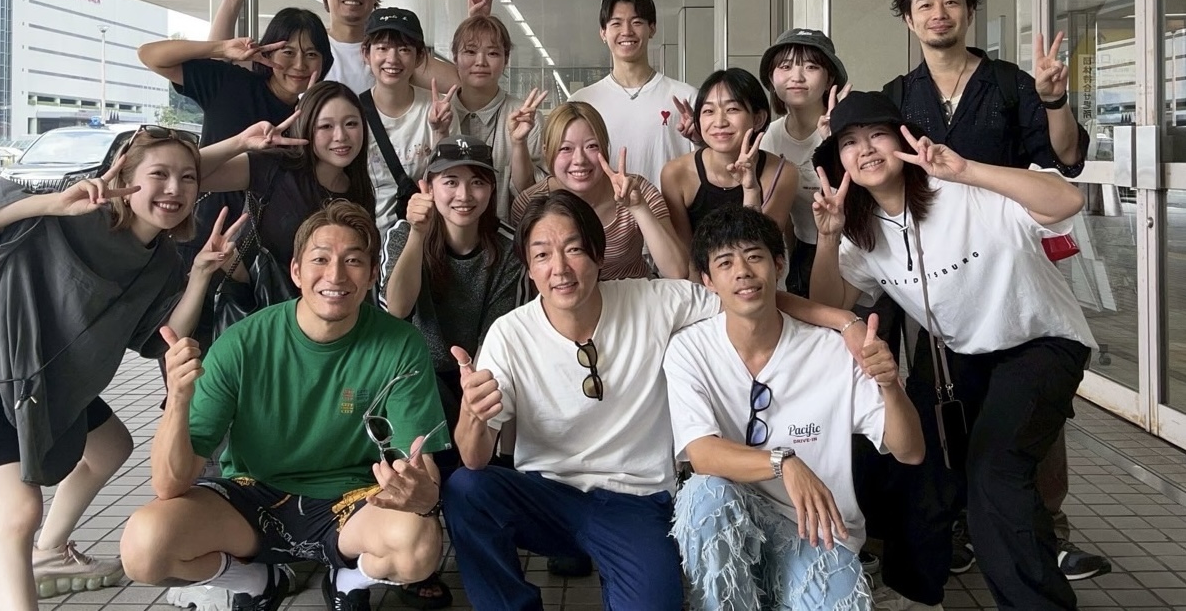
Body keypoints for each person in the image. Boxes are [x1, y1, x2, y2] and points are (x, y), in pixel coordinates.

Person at [441, 190, 874, 611]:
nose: (560, 268)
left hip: (636, 500)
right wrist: (473, 413)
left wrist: (844, 321)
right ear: (528, 267)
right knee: (466, 489)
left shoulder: (653, 301)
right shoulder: (509, 335)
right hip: (547, 497)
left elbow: (747, 296)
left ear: (598, 254)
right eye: (542, 255)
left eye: (574, 249)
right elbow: (475, 458)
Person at [807, 91, 1097, 611]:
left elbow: (1066, 201)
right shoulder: (862, 232)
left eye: (877, 135)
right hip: (960, 355)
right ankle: (915, 595)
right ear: (839, 161)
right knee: (917, 460)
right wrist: (828, 238)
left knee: (994, 472)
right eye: (849, 143)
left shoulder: (960, 190)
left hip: (1041, 341)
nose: (865, 149)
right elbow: (830, 304)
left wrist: (968, 170)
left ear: (903, 140)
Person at [885, 0, 1103, 582]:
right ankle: (965, 524)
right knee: (948, 404)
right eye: (925, 4)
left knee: (1029, 409)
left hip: (1014, 267)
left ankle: (1048, 532)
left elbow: (1064, 160)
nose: (939, 13)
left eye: (951, 1)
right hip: (944, 281)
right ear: (908, 19)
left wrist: (1054, 100)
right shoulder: (899, 97)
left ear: (970, 11)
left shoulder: (1009, 84)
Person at [0, 127, 242, 610]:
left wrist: (199, 275)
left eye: (188, 178)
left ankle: (49, 553)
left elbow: (159, 337)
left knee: (111, 446)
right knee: (17, 514)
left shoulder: (162, 260)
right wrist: (50, 204)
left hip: (59, 391)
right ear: (125, 178)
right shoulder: (66, 217)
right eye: (159, 174)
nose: (174, 189)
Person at [119, 200, 451, 611]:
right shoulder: (242, 342)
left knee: (420, 546)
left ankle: (349, 579)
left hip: (353, 501)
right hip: (252, 497)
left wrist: (423, 497)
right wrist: (178, 399)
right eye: (320, 259)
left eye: (353, 261)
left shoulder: (400, 344)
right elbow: (170, 485)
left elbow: (420, 466)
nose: (335, 275)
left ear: (370, 276)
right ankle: (256, 580)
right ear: (296, 271)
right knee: (144, 547)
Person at [666, 205, 925, 611]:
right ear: (708, 281)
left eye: (754, 256)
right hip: (735, 515)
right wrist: (784, 463)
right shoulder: (689, 349)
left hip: (815, 532)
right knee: (705, 495)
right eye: (725, 263)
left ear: (779, 265)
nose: (743, 272)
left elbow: (910, 451)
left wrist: (890, 385)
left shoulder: (831, 351)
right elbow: (702, 454)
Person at [380, 135, 525, 608]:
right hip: (414, 376)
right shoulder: (402, 233)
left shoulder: (507, 245)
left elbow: (499, 333)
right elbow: (397, 308)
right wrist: (418, 235)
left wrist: (473, 389)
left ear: (492, 188)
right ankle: (419, 555)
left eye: (477, 182)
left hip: (477, 371)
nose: (464, 195)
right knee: (419, 469)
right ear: (428, 186)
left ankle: (482, 547)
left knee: (478, 466)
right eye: (451, 182)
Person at [138, 8, 335, 270]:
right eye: (288, 52)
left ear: (324, 61)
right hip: (197, 236)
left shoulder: (315, 121)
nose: (300, 65)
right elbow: (150, 55)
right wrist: (221, 48)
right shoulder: (231, 84)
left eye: (311, 54)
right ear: (267, 53)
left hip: (262, 257)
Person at [208, 0, 460, 96]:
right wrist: (232, 0)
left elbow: (462, 84)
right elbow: (215, 65)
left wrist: (475, 30)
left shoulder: (388, 55)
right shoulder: (302, 48)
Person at [197, 80, 375, 299]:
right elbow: (185, 174)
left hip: (316, 309)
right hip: (247, 301)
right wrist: (241, 142)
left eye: (351, 124)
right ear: (307, 126)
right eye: (326, 126)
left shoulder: (359, 190)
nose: (341, 136)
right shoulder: (276, 167)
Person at [511, 102, 687, 280]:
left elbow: (677, 271)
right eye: (566, 148)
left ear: (605, 148)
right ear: (546, 151)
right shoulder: (530, 203)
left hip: (632, 293)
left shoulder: (635, 190)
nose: (579, 160)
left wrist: (638, 207)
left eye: (592, 146)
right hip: (563, 296)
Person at [661, 68, 796, 272]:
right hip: (697, 285)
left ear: (758, 119)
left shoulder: (782, 173)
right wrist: (704, 293)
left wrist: (751, 190)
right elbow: (687, 259)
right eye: (708, 111)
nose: (720, 122)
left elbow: (760, 254)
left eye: (732, 109)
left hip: (755, 282)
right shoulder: (676, 174)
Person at [569, 0, 696, 188]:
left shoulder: (685, 98)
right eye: (616, 23)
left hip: (667, 208)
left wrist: (701, 141)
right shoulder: (582, 102)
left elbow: (706, 167)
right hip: (602, 209)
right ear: (603, 32)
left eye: (637, 22)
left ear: (652, 28)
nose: (627, 31)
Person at [756, 28, 850, 297]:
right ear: (771, 78)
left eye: (811, 67)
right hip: (804, 251)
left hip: (855, 249)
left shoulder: (849, 130)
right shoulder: (770, 136)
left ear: (829, 78)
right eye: (785, 67)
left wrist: (836, 140)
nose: (797, 77)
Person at [359, 7, 453, 233]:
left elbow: (449, 180)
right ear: (366, 54)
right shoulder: (354, 113)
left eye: (404, 49)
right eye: (382, 48)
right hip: (369, 235)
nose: (392, 59)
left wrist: (441, 132)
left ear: (419, 56)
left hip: (426, 233)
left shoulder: (436, 109)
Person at [446, 13, 547, 221]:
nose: (480, 62)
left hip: (508, 234)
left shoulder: (527, 118)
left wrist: (519, 144)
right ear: (455, 57)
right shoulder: (438, 113)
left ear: (506, 60)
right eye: (470, 52)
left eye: (492, 53)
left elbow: (531, 194)